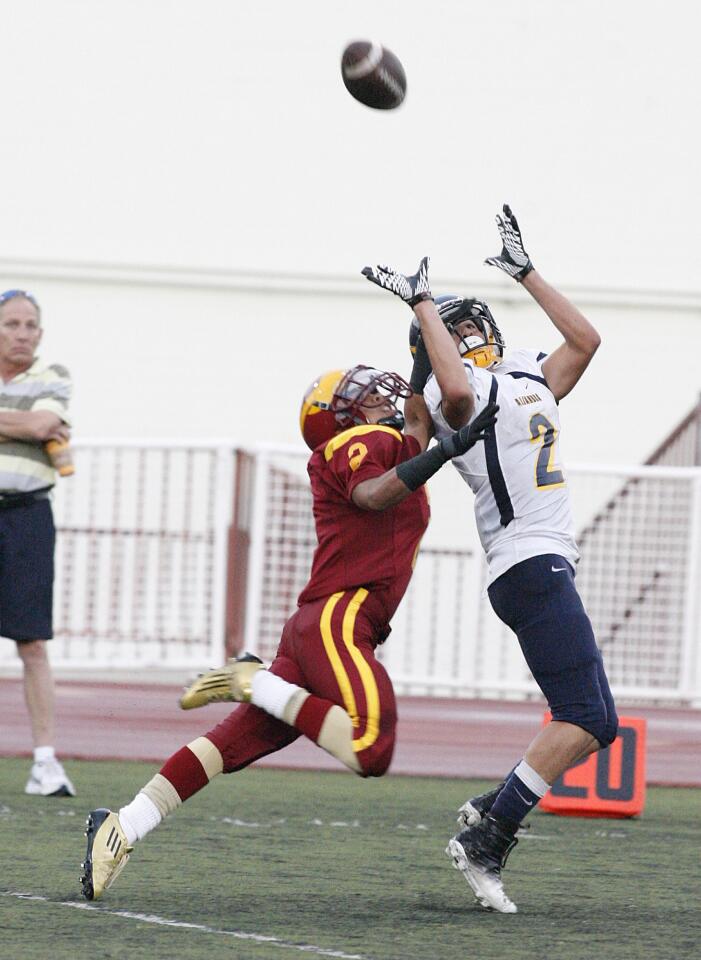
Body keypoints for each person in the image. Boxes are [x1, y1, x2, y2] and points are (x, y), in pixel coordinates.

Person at [80, 362, 498, 901]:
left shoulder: (390, 445)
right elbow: (373, 494)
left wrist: (422, 349)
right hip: (340, 619)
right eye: (363, 396)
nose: (379, 397)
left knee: (226, 747)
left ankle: (122, 826)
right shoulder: (359, 442)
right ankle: (253, 680)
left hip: (318, 625)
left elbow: (414, 431)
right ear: (340, 418)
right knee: (372, 745)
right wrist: (444, 448)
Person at [362, 205, 618, 914]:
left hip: (543, 563)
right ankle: (488, 835)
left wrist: (524, 271)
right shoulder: (454, 401)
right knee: (583, 716)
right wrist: (420, 305)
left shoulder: (529, 375)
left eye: (472, 324)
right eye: (453, 331)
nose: (468, 335)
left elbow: (586, 339)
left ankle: (489, 811)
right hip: (524, 562)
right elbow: (445, 395)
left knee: (597, 719)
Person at [0, 288, 75, 797]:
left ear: (40, 334)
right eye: (11, 324)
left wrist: (32, 426)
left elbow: (44, 423)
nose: (21, 333)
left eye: (30, 325)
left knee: (32, 643)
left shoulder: (53, 375)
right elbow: (33, 427)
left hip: (27, 515)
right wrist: (20, 427)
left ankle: (45, 763)